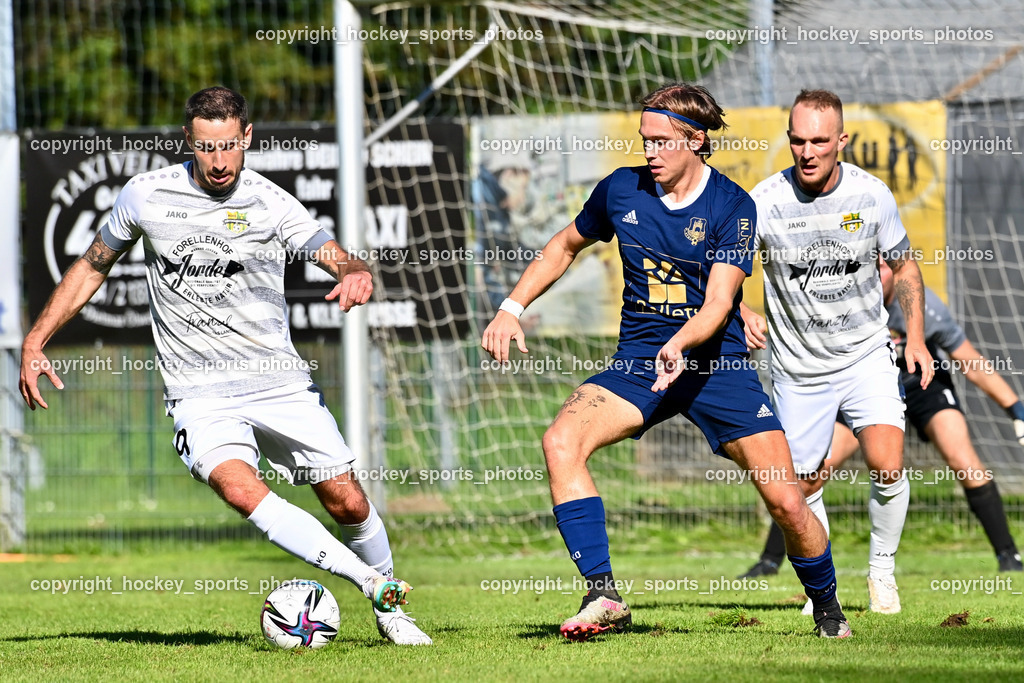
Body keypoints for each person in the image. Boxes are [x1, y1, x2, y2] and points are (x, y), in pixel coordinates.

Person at [19, 86, 431, 646]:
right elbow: (92, 266)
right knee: (240, 489)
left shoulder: (272, 201)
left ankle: (390, 609)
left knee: (347, 500)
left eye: (229, 146)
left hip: (280, 383)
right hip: (199, 394)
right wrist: (37, 338)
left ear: (247, 138)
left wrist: (353, 272)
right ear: (189, 141)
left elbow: (330, 252)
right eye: (207, 147)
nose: (219, 160)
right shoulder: (145, 195)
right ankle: (373, 585)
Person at [482, 83, 850, 640]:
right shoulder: (620, 190)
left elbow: (721, 303)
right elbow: (562, 246)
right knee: (561, 441)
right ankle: (602, 594)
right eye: (644, 140)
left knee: (786, 499)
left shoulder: (731, 205)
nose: (649, 152)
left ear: (695, 140)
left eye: (661, 141)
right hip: (639, 364)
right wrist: (511, 308)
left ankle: (828, 608)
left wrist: (680, 344)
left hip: (716, 368)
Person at [741, 89, 934, 615]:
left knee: (887, 463)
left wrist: (914, 338)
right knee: (801, 486)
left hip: (866, 353)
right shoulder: (763, 201)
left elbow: (907, 267)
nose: (807, 152)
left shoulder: (872, 195)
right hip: (798, 366)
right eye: (798, 140)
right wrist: (740, 308)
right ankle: (819, 584)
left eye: (819, 141)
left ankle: (881, 572)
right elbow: (721, 264)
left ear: (841, 141)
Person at [743, 260, 1024, 579]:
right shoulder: (839, 301)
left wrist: (1014, 407)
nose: (878, 273)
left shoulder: (924, 306)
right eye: (871, 265)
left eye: (886, 266)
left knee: (965, 461)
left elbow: (969, 360)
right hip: (864, 387)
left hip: (920, 383)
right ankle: (769, 561)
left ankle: (1008, 556)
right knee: (809, 472)